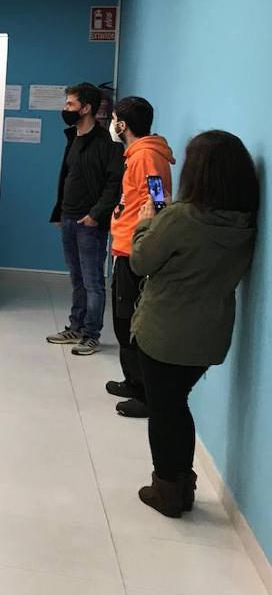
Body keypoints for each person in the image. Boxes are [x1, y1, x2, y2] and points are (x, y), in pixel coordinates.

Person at [129, 130, 257, 518]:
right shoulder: (243, 223)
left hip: (165, 332)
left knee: (164, 412)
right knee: (176, 406)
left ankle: (167, 491)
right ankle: (181, 484)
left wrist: (145, 222)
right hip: (209, 334)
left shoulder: (181, 217)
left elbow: (140, 262)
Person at [105, 97, 175, 418]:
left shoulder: (146, 155)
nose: (113, 124)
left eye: (115, 119)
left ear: (123, 125)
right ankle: (132, 381)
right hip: (126, 246)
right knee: (122, 321)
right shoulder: (136, 154)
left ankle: (144, 394)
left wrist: (146, 238)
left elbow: (158, 200)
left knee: (128, 323)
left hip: (136, 250)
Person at [46, 83, 124, 356]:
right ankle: (75, 327)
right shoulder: (73, 137)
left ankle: (92, 334)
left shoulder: (108, 144)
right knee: (76, 278)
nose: (65, 109)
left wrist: (96, 215)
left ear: (86, 108)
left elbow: (114, 185)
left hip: (90, 222)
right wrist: (60, 211)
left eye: (70, 104)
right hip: (68, 217)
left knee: (93, 282)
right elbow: (67, 178)